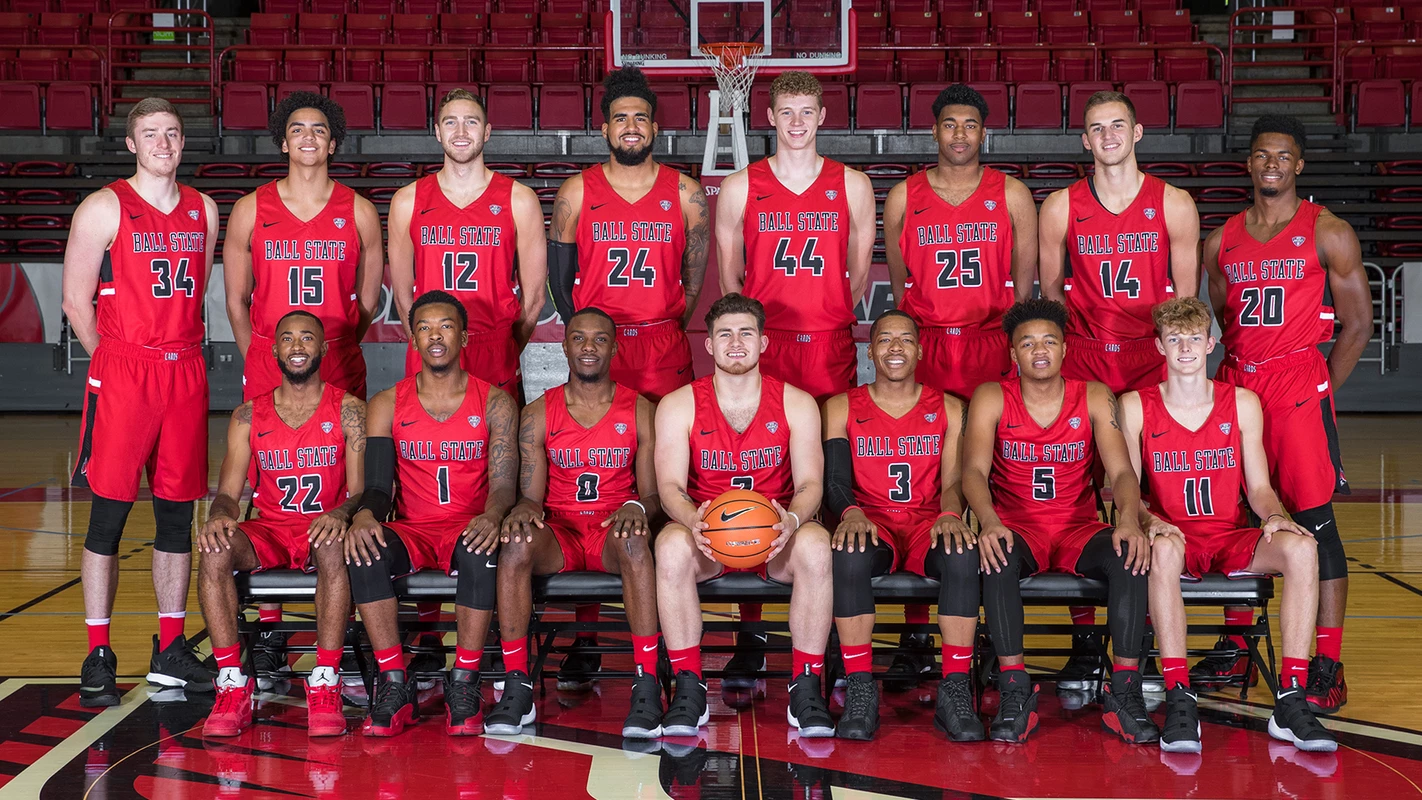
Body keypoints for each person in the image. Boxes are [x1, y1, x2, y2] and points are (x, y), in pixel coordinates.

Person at [1203, 115, 1372, 714]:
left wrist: (1321, 387)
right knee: (1233, 513)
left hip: (1298, 384)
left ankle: (1327, 662)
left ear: (1299, 165)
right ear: (1248, 163)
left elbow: (1357, 326)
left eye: (1283, 155)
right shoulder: (1220, 238)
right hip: (1240, 384)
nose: (1271, 163)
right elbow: (1225, 323)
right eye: (1261, 155)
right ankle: (1234, 644)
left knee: (1317, 525)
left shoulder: (1329, 231)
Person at [1121, 296, 1336, 754]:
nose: (1184, 348)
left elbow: (1258, 487)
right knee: (1161, 548)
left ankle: (1291, 697)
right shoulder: (1135, 405)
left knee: (1302, 549)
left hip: (1227, 533)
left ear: (1211, 344)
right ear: (1158, 346)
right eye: (1174, 339)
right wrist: (1150, 520)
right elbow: (1127, 490)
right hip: (1172, 536)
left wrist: (1276, 515)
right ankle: (1180, 694)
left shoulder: (1242, 403)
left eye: (1194, 339)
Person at [1037, 90, 1200, 685]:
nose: (1107, 136)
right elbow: (1051, 301)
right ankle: (1085, 641)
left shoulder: (1174, 204)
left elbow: (1184, 305)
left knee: (1154, 498)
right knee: (1077, 496)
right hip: (1084, 358)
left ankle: (1146, 636)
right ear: (1084, 140)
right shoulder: (1061, 206)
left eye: (1118, 126)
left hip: (1147, 361)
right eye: (1096, 128)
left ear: (1138, 133)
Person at [62, 98, 221, 706]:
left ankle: (171, 649)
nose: (163, 143)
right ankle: (98, 651)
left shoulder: (204, 210)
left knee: (177, 517)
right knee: (108, 516)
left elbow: (196, 293)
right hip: (126, 368)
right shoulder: (104, 207)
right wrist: (117, 364)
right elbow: (77, 302)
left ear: (184, 143)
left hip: (184, 369)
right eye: (151, 134)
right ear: (131, 143)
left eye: (173, 134)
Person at [882, 83, 1037, 680]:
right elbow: (902, 289)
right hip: (927, 349)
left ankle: (998, 628)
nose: (960, 135)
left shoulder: (1012, 195)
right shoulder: (904, 196)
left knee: (998, 477)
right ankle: (919, 631)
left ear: (983, 131)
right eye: (950, 124)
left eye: (970, 124)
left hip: (990, 346)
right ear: (935, 131)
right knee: (925, 479)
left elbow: (1024, 295)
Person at [962, 299, 1155, 745]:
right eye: (1027, 343)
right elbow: (972, 471)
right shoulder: (993, 396)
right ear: (1013, 355)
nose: (1039, 350)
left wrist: (1127, 519)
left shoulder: (1092, 395)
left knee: (1130, 555)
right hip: (1018, 527)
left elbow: (1123, 472)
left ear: (1066, 348)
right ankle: (1014, 688)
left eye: (1049, 340)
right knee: (995, 556)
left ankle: (1124, 691)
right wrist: (988, 521)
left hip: (1078, 527)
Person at [653, 293, 836, 738]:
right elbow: (670, 487)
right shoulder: (679, 404)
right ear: (709, 345)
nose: (736, 343)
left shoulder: (797, 402)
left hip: (774, 534)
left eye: (746, 333)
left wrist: (791, 521)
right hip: (709, 539)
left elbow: (811, 483)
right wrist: (691, 520)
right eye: (725, 334)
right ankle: (689, 687)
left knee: (815, 545)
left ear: (764, 343)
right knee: (670, 546)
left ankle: (805, 685)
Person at [344, 290, 518, 736]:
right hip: (414, 529)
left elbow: (502, 485)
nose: (434, 336)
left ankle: (465, 681)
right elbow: (380, 487)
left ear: (464, 335)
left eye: (445, 326)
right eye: (423, 328)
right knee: (363, 549)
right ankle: (394, 682)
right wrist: (365, 514)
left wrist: (493, 515)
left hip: (468, 526)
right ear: (412, 339)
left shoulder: (495, 402)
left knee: (482, 551)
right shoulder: (386, 403)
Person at [487, 308, 662, 738]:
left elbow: (654, 496)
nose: (588, 346)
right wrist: (525, 510)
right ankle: (517, 681)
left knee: (638, 541)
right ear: (564, 346)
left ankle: (646, 682)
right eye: (579, 338)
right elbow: (530, 495)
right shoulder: (538, 413)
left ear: (615, 347)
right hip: (561, 531)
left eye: (599, 339)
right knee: (514, 542)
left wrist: (637, 509)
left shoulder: (640, 409)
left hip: (612, 533)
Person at [197, 311, 367, 738]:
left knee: (331, 544)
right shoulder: (247, 416)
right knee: (215, 547)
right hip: (270, 529)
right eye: (287, 339)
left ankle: (325, 679)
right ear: (273, 350)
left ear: (324, 349)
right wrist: (219, 515)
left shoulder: (349, 411)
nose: (296, 346)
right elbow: (228, 493)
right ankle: (232, 682)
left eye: (307, 338)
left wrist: (341, 514)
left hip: (323, 529)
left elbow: (364, 491)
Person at [823, 310, 979, 741]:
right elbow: (835, 480)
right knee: (849, 552)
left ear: (920, 349)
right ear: (869, 351)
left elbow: (953, 482)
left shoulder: (949, 407)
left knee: (963, 554)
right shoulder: (841, 406)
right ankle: (859, 686)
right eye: (885, 340)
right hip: (872, 523)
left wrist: (950, 515)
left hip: (928, 523)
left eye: (906, 339)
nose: (896, 348)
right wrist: (850, 511)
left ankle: (955, 688)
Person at [547, 67, 710, 402]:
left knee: (668, 449)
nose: (631, 127)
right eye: (621, 118)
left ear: (654, 127)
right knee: (600, 450)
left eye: (641, 118)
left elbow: (693, 282)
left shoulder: (686, 193)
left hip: (663, 343)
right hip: (600, 343)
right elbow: (559, 283)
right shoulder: (576, 191)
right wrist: (587, 332)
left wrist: (664, 321)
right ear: (606, 129)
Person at [715, 70, 876, 404]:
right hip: (767, 339)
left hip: (829, 340)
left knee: (830, 446)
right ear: (772, 116)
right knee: (768, 448)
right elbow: (730, 277)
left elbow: (858, 275)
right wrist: (750, 333)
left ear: (821, 116)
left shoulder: (853, 184)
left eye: (806, 111)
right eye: (787, 111)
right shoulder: (739, 186)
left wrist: (829, 310)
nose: (797, 121)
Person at [224, 91, 384, 402]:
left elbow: (367, 304)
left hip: (337, 357)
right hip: (269, 356)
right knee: (269, 451)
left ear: (332, 143)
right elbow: (236, 300)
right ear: (284, 143)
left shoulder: (360, 211)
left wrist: (338, 345)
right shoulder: (249, 209)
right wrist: (260, 355)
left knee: (341, 450)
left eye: (319, 130)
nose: (308, 136)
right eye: (297, 129)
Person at [387, 87, 546, 394]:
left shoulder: (519, 200)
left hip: (494, 345)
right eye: (450, 122)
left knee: (498, 442)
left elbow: (535, 296)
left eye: (471, 122)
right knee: (427, 443)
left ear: (487, 132)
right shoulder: (407, 201)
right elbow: (403, 294)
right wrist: (425, 343)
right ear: (437, 132)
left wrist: (505, 347)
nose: (460, 131)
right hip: (430, 345)